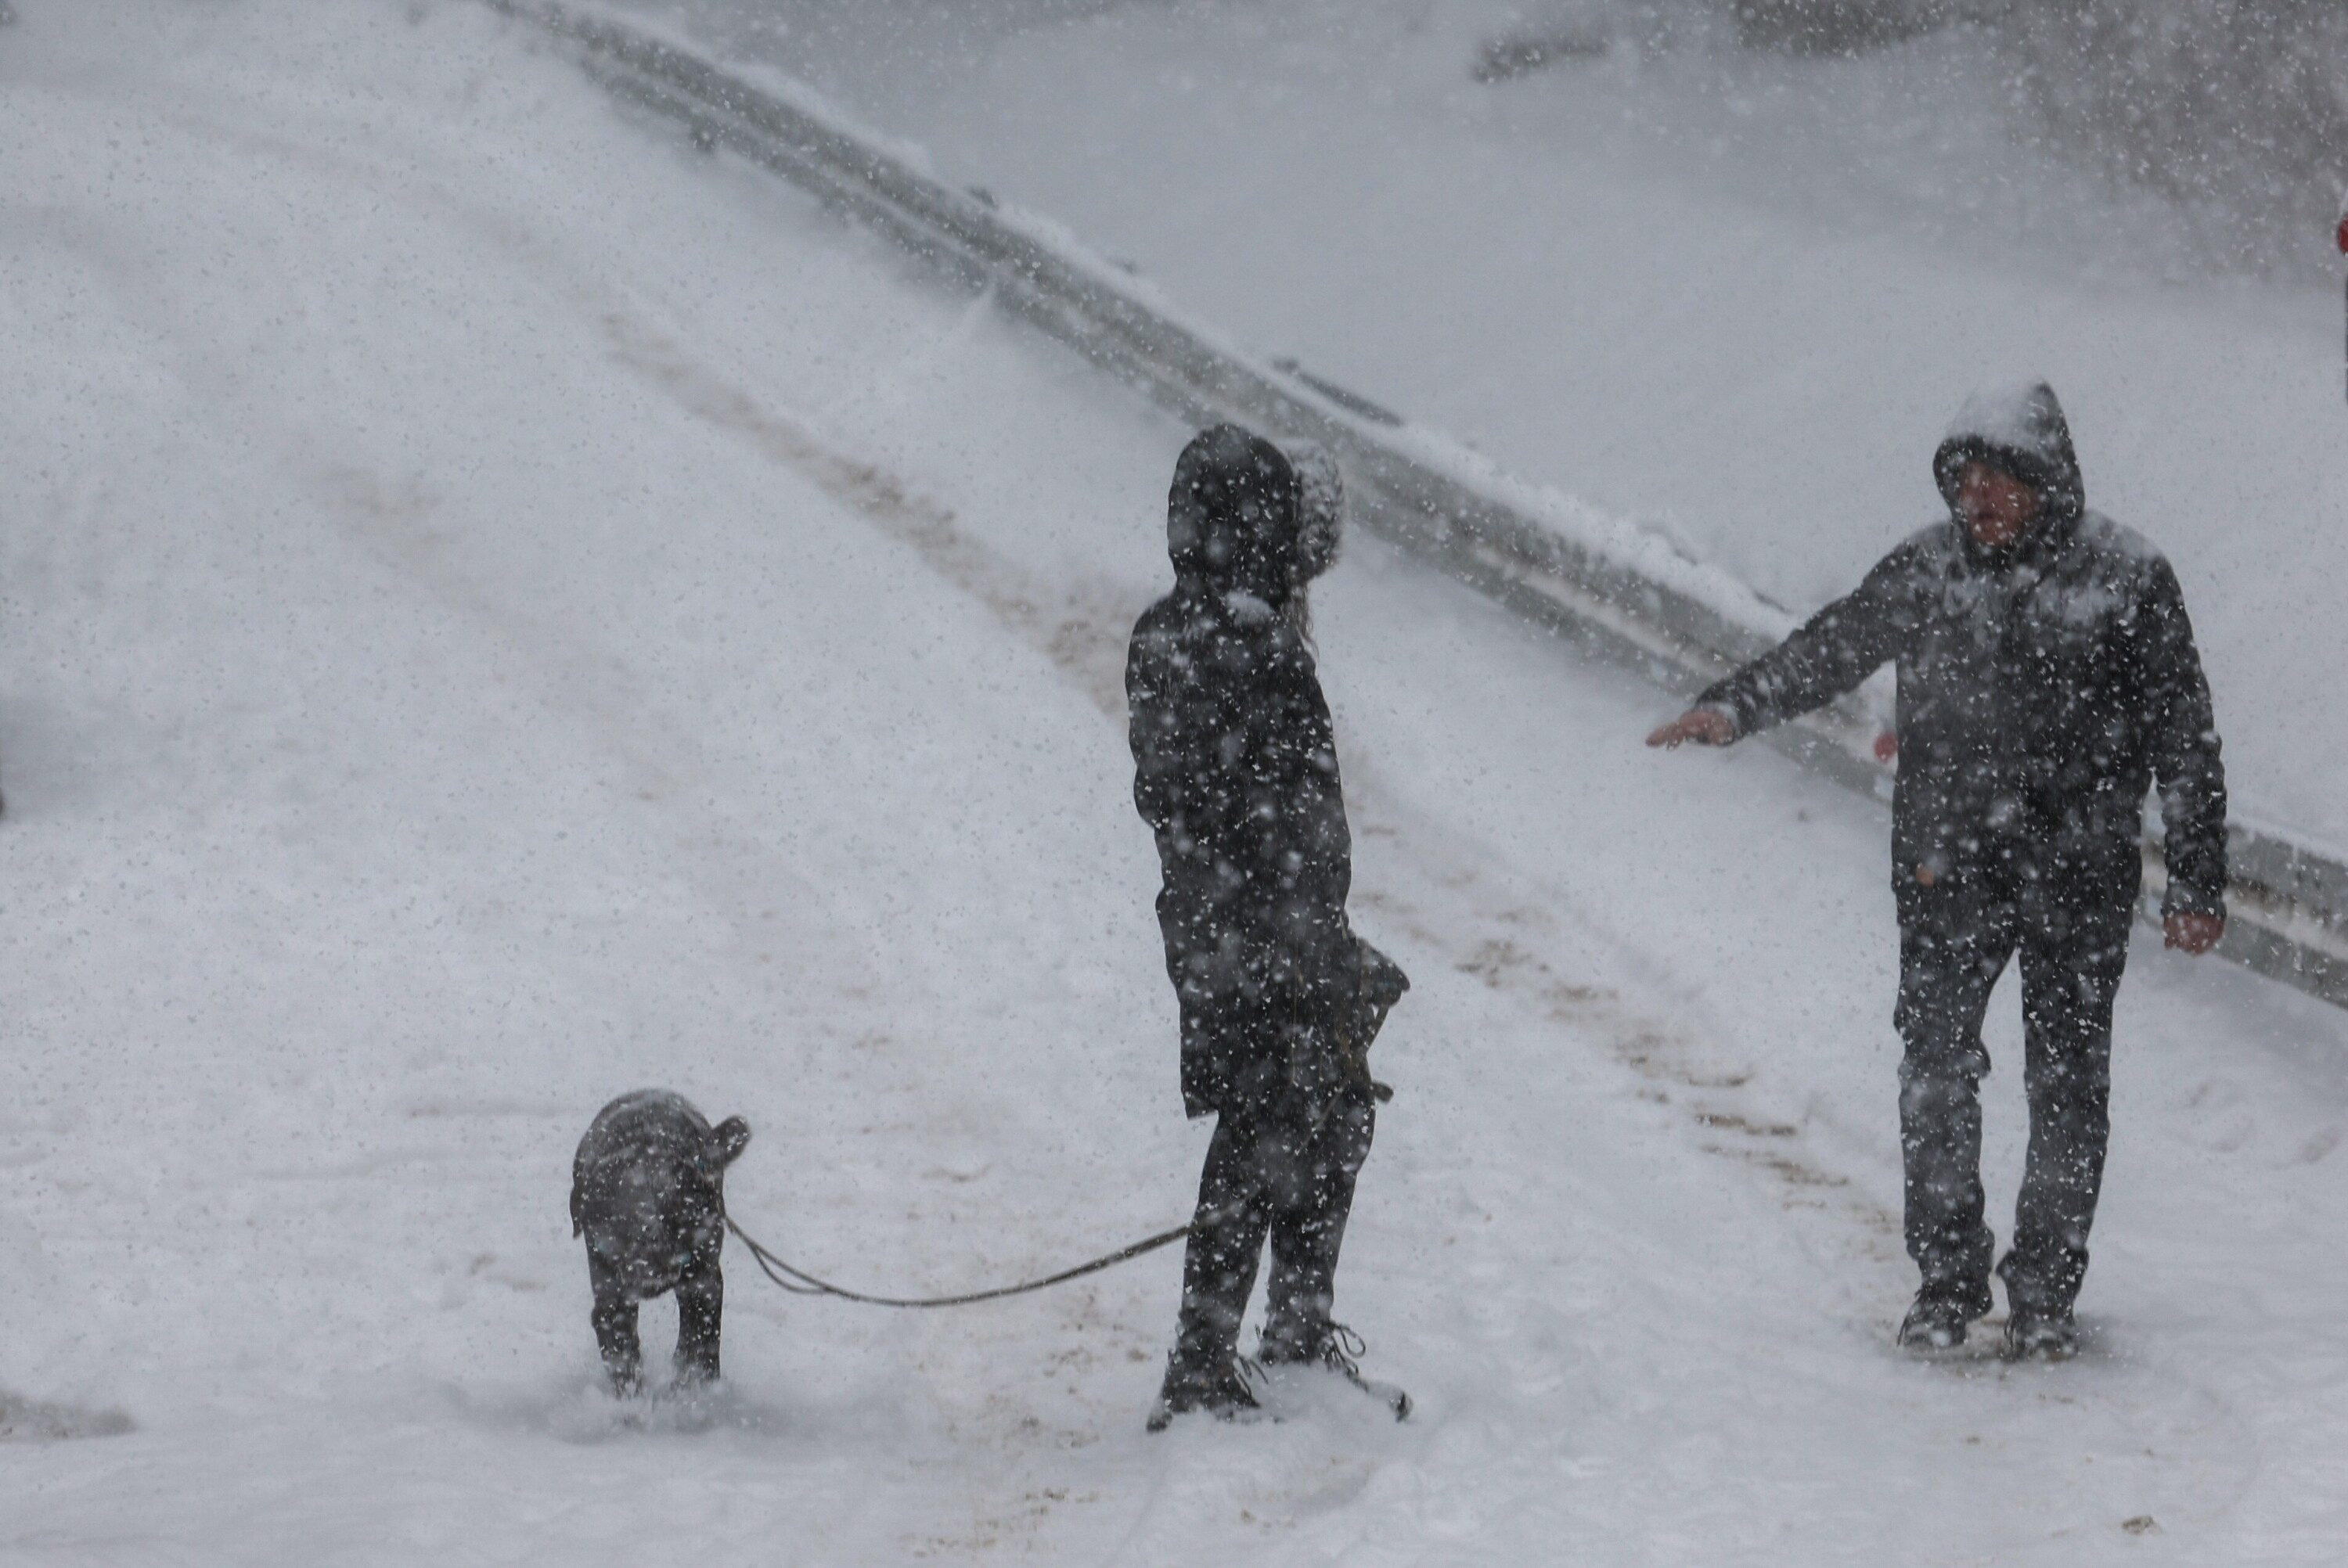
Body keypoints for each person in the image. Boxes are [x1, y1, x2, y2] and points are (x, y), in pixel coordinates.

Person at [1647, 381, 2227, 1360]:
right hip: (1946, 867)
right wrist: (1734, 708)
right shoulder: (1929, 568)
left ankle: (2045, 1293)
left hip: (2081, 876)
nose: (1980, 500)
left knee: (2070, 1085)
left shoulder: (2127, 577)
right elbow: (1834, 646)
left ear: (2049, 481)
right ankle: (1947, 1281)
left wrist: (2200, 879)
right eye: (1966, 481)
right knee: (1936, 1073)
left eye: (2001, 479)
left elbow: (2185, 733)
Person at [1126, 424, 1408, 1429]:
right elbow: (1258, 811)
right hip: (1253, 934)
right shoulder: (1243, 641)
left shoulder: (1182, 630)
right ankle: (1205, 1366)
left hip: (1239, 928)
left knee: (1329, 1115)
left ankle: (1288, 1339)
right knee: (1270, 1127)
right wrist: (1300, 941)